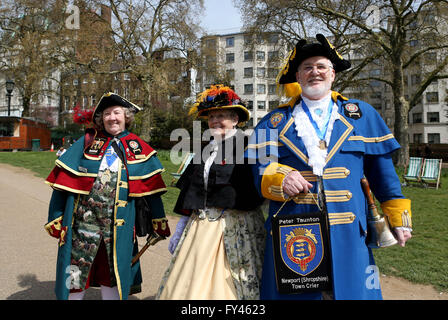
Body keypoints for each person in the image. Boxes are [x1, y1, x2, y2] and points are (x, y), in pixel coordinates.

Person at [245, 34, 412, 300]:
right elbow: (259, 170)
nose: (315, 73)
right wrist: (280, 178)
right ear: (297, 77)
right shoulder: (273, 122)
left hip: (349, 232)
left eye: (321, 67)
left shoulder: (362, 114)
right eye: (307, 68)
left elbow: (384, 175)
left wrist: (399, 219)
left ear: (333, 74)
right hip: (294, 234)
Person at [45, 92, 170, 300]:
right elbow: (63, 183)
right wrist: (55, 216)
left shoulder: (138, 147)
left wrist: (159, 219)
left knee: (112, 274)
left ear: (126, 117)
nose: (112, 117)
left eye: (117, 113)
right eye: (107, 114)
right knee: (74, 273)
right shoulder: (86, 142)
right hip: (81, 225)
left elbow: (152, 189)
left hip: (117, 228)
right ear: (101, 119)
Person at [156, 85, 266, 300]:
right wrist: (181, 226)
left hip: (237, 227)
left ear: (235, 119)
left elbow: (260, 186)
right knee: (191, 282)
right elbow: (192, 190)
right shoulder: (205, 148)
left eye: (221, 116)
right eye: (211, 117)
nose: (215, 121)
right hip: (201, 226)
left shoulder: (249, 146)